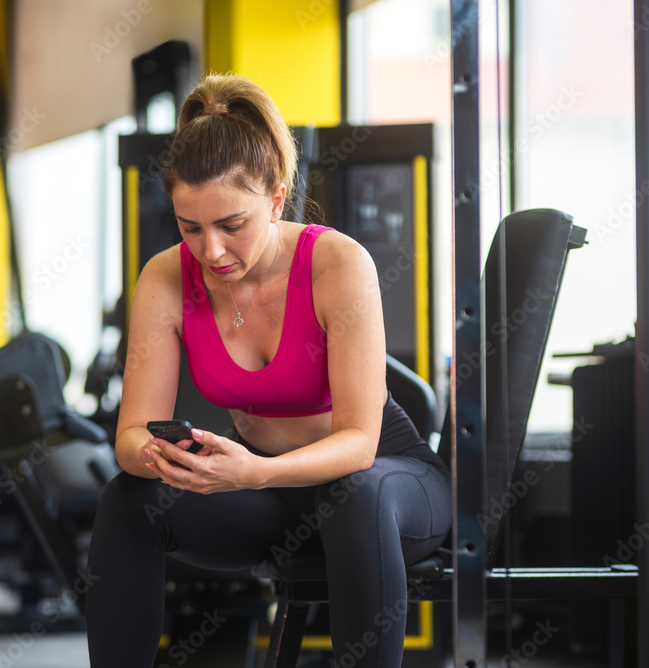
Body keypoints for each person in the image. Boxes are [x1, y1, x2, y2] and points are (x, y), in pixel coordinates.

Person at [85, 73, 451, 667]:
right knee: (128, 500)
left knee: (353, 493)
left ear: (276, 199)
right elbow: (130, 436)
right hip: (269, 493)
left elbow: (359, 445)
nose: (212, 252)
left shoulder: (337, 263)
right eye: (190, 227)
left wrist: (255, 473)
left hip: (386, 484)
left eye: (232, 225)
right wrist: (168, 458)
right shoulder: (165, 277)